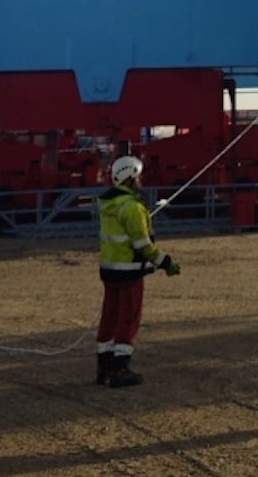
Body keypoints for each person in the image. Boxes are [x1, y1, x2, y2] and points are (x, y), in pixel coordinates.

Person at [95, 155, 178, 388]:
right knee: (129, 319)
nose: (141, 180)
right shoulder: (132, 207)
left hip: (109, 269)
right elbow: (142, 245)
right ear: (131, 177)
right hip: (129, 271)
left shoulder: (108, 203)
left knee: (109, 317)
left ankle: (104, 367)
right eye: (138, 176)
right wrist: (166, 262)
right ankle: (120, 370)